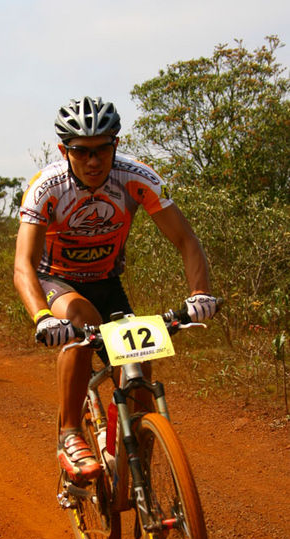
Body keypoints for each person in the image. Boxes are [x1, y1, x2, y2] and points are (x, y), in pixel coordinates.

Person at [14, 96, 219, 483]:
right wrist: (41, 316)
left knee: (139, 364)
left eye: (103, 149)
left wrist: (200, 294)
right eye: (82, 152)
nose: (94, 161)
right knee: (81, 320)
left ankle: (124, 447)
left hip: (107, 282)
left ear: (116, 145)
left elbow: (186, 239)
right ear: (64, 151)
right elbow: (22, 263)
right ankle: (71, 433)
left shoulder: (135, 178)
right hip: (55, 282)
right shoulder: (48, 187)